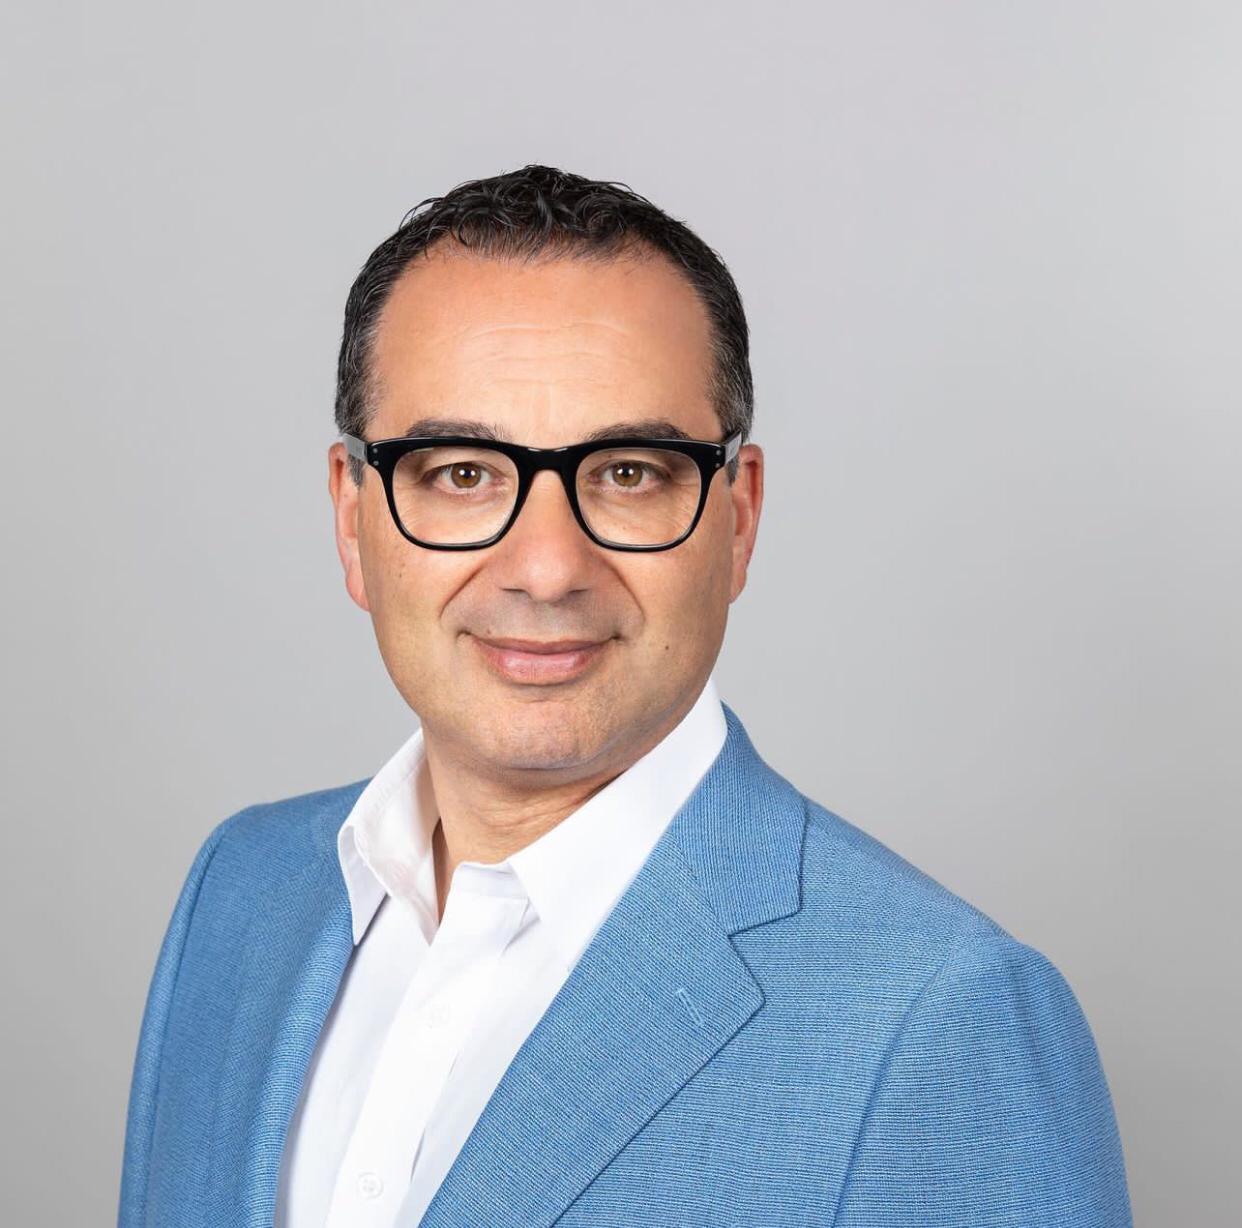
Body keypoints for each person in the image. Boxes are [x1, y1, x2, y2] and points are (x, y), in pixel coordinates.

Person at [117, 164, 1133, 1228]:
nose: (547, 569)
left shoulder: (941, 1021)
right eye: (462, 472)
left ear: (738, 519)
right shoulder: (241, 894)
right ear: (351, 518)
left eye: (629, 473)